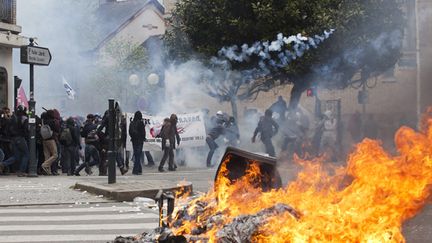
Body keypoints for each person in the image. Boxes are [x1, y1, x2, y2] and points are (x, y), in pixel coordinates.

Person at [0, 106, 29, 176]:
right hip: (20, 138)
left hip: (12, 139)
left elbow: (7, 129)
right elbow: (26, 129)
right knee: (26, 154)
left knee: (16, 156)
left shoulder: (12, 118)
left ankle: (3, 164)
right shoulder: (23, 118)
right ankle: (21, 171)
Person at [40, 110, 60, 175]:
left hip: (44, 139)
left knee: (47, 155)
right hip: (51, 139)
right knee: (55, 154)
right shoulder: (52, 121)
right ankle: (45, 165)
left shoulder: (43, 121)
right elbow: (57, 129)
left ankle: (48, 171)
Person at [129, 111, 146, 175]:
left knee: (136, 154)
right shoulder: (141, 123)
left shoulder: (132, 123)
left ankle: (139, 169)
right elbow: (143, 132)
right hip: (140, 141)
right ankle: (135, 170)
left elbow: (130, 131)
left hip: (134, 140)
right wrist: (143, 138)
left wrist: (133, 137)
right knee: (138, 155)